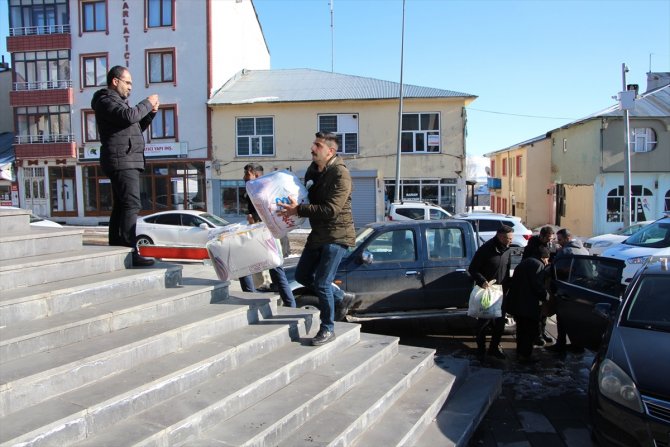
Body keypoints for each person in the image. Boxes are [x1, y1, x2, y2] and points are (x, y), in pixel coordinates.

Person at [277, 132, 356, 346]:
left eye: (318, 145)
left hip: (337, 234)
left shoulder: (341, 174)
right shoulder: (313, 170)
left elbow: (331, 210)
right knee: (303, 275)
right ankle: (340, 297)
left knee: (322, 282)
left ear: (330, 151)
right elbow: (306, 197)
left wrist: (299, 210)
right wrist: (291, 205)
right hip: (319, 233)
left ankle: (328, 328)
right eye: (313, 144)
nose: (312, 148)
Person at [92, 65, 159, 267]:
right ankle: (129, 251)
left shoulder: (118, 104)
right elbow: (128, 117)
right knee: (131, 204)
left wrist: (151, 113)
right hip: (122, 159)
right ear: (115, 81)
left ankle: (118, 248)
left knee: (122, 205)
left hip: (126, 158)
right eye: (127, 82)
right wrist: (147, 103)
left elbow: (134, 127)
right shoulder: (105, 100)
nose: (130, 87)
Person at [238, 163, 296, 308]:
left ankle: (251, 297)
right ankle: (290, 304)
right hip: (272, 234)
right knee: (276, 271)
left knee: (244, 265)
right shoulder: (267, 188)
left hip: (265, 235)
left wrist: (253, 219)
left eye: (246, 174)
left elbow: (264, 212)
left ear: (254, 174)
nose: (244, 178)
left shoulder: (258, 190)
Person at [468, 225, 514, 360]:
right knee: (484, 322)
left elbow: (507, 268)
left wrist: (508, 286)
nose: (511, 241)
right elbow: (473, 269)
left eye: (511, 238)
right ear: (500, 236)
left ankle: (494, 348)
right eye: (508, 238)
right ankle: (480, 349)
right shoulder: (486, 249)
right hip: (487, 291)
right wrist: (482, 281)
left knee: (499, 323)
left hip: (501, 292)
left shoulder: (507, 250)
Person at [546, 228, 589, 355]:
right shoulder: (583, 249)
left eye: (560, 240)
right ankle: (578, 344)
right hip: (582, 288)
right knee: (576, 318)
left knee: (562, 317)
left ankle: (561, 344)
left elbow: (558, 269)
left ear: (568, 238)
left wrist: (547, 270)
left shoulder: (567, 251)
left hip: (568, 288)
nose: (558, 242)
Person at [507, 246, 550, 362]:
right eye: (547, 259)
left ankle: (520, 353)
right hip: (529, 305)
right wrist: (546, 296)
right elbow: (537, 286)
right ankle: (525, 355)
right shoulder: (538, 265)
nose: (547, 262)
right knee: (529, 331)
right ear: (544, 257)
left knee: (521, 330)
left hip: (517, 303)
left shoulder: (524, 263)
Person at [522, 225, 555, 346]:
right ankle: (537, 334)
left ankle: (543, 331)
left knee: (544, 310)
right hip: (534, 279)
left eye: (551, 239)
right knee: (537, 310)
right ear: (541, 236)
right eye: (548, 238)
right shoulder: (532, 247)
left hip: (545, 279)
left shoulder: (549, 245)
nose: (550, 241)